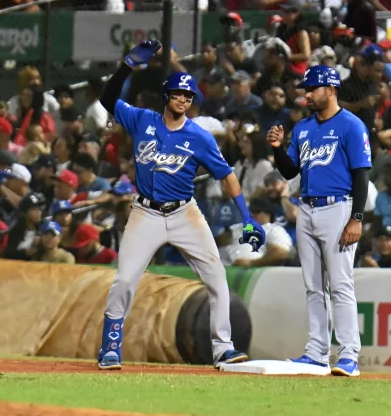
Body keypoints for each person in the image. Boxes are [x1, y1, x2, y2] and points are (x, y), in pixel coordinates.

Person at [94, 40, 265, 370]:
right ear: (166, 97)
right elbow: (107, 99)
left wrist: (246, 217)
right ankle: (110, 345)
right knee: (126, 280)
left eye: (188, 96)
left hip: (185, 212)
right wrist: (127, 65)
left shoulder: (199, 136)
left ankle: (222, 348)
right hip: (145, 212)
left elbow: (227, 176)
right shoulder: (142, 120)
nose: (184, 100)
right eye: (178, 94)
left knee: (216, 279)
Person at [267, 65, 371, 377]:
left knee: (340, 284)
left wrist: (357, 218)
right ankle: (316, 353)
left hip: (338, 208)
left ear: (331, 89)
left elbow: (361, 175)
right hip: (307, 208)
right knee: (313, 286)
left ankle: (349, 355)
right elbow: (289, 172)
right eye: (305, 89)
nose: (307, 94)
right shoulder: (302, 129)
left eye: (312, 89)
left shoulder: (351, 125)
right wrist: (276, 150)